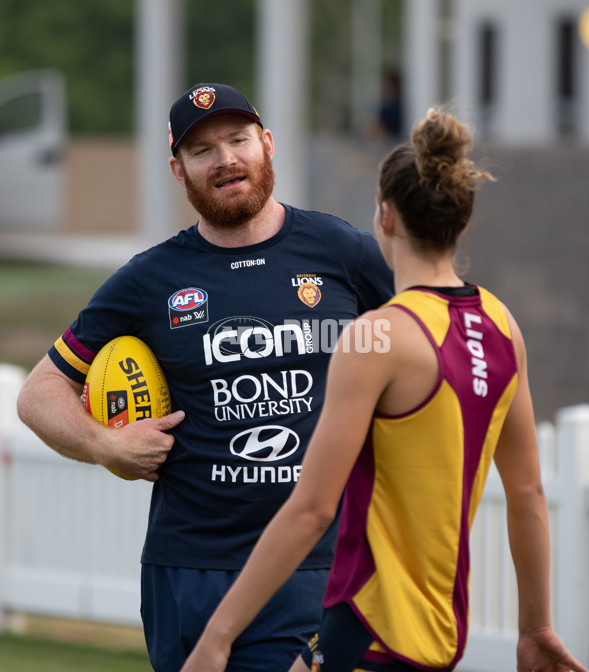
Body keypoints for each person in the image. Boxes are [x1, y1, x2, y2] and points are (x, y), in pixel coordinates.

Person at [180, 107, 589, 672]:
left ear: (386, 216)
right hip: (442, 634)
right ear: (462, 222)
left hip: (367, 628)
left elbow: (312, 509)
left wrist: (217, 638)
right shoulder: (501, 323)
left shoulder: (378, 336)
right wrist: (536, 626)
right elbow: (528, 494)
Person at [16, 83, 394, 672]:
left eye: (238, 140)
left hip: (318, 563)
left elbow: (425, 348)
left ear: (267, 145)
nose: (225, 160)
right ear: (178, 170)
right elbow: (39, 391)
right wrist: (105, 443)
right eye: (202, 150)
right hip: (190, 570)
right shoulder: (150, 280)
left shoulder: (344, 252)